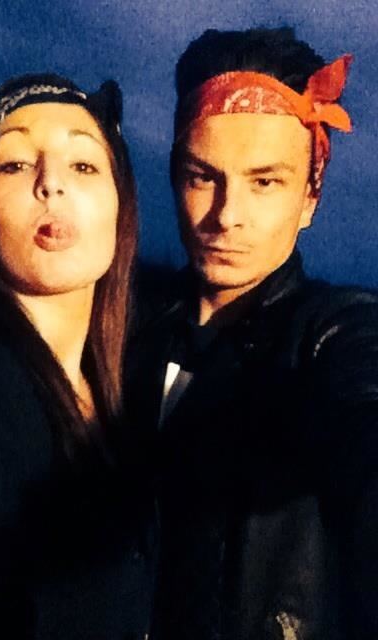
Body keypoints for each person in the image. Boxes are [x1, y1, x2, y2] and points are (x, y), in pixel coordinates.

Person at [126, 27, 378, 639]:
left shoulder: (330, 334)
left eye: (265, 182)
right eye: (202, 176)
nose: (227, 215)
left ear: (310, 197)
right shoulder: (122, 328)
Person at [0, 73, 155, 639]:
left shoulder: (122, 392)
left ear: (122, 206)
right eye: (14, 164)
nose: (51, 184)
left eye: (83, 165)